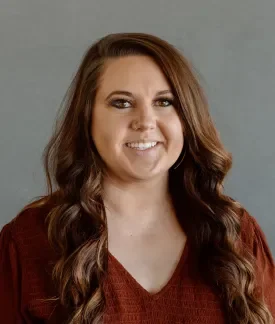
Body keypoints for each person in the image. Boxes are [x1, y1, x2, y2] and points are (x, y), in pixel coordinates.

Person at [0, 32, 274, 324]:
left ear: (186, 119)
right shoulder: (28, 242)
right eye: (121, 103)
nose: (145, 121)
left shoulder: (235, 234)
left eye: (165, 102)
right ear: (87, 118)